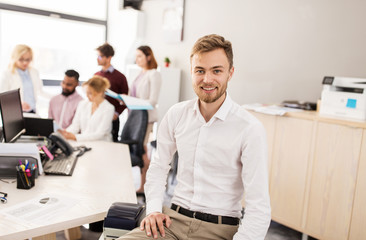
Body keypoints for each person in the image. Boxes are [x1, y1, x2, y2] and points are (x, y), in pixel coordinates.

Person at [119, 34, 271, 240]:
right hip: (170, 221)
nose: (207, 79)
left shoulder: (250, 128)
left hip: (219, 230)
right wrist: (154, 209)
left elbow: (259, 207)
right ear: (192, 72)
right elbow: (158, 167)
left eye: (217, 71)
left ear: (230, 73)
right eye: (200, 71)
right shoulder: (176, 114)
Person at [131, 45, 162, 193]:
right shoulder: (140, 74)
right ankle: (143, 185)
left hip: (146, 119)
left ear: (148, 57)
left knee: (143, 151)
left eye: (139, 56)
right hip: (136, 117)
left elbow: (153, 100)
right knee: (139, 150)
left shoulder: (154, 74)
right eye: (136, 56)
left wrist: (134, 102)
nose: (136, 59)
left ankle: (145, 186)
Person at [59, 75, 114, 142]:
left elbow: (100, 134)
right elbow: (75, 126)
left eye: (90, 93)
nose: (87, 96)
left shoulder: (108, 108)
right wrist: (65, 133)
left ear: (100, 93)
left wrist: (75, 137)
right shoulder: (82, 104)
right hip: (85, 142)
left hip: (102, 143)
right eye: (86, 93)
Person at [95, 43, 129, 142]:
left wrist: (116, 113)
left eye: (100, 56)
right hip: (97, 117)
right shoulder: (96, 75)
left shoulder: (120, 77)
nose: (97, 59)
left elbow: (125, 100)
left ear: (109, 57)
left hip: (112, 119)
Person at [0, 44, 48, 113]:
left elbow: (40, 91)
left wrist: (58, 97)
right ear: (15, 58)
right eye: (21, 59)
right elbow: (2, 96)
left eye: (27, 59)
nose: (25, 63)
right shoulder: (7, 74)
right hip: (15, 111)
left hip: (32, 111)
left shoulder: (34, 72)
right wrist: (18, 104)